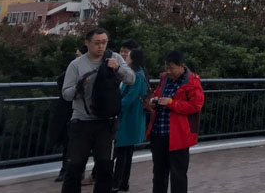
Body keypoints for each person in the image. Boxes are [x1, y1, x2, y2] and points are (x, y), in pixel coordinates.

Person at [60, 28, 135, 193]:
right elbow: (66, 94)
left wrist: (118, 68)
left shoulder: (114, 58)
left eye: (104, 42)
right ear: (87, 43)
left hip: (106, 123)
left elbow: (131, 79)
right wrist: (80, 86)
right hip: (82, 122)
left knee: (105, 169)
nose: (101, 46)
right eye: (97, 43)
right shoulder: (76, 65)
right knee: (74, 169)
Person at [145, 50, 204, 193]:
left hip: (178, 135)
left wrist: (173, 103)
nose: (168, 71)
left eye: (171, 68)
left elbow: (196, 106)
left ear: (181, 66)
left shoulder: (192, 82)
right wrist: (153, 102)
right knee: (159, 173)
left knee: (178, 174)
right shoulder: (164, 78)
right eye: (167, 67)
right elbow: (157, 94)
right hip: (159, 132)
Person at [112, 48, 148, 193]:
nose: (126, 58)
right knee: (126, 151)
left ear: (133, 59)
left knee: (122, 150)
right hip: (132, 116)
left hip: (129, 116)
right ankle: (122, 183)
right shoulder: (139, 73)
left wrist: (115, 107)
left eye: (128, 56)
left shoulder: (136, 75)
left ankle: (117, 182)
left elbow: (130, 97)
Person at [49, 46, 86, 182]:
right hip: (67, 111)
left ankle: (73, 170)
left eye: (78, 55)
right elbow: (61, 82)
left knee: (76, 143)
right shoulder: (73, 69)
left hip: (79, 112)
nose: (75, 58)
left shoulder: (86, 71)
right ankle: (66, 169)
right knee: (67, 141)